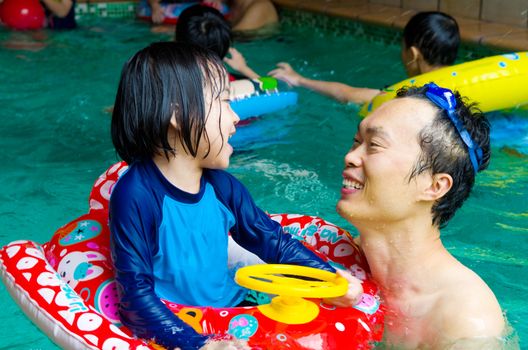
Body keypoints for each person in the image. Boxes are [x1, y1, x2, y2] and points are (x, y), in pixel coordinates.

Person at [109, 41, 363, 349]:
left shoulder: (222, 187)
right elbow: (135, 295)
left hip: (234, 310)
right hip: (180, 324)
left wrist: (328, 278)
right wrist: (199, 345)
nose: (235, 119)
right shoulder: (136, 194)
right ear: (176, 113)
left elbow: (272, 241)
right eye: (224, 102)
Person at [337, 83, 505, 348]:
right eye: (357, 142)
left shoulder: (465, 322)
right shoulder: (332, 259)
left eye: (375, 145)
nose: (351, 157)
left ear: (434, 186)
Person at [269, 11, 459, 105]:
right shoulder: (462, 87)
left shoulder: (406, 96)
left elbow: (344, 93)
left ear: (412, 54)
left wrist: (299, 79)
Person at [175, 4, 260, 80]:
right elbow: (271, 90)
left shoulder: (172, 77)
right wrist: (243, 68)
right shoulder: (229, 84)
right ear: (225, 44)